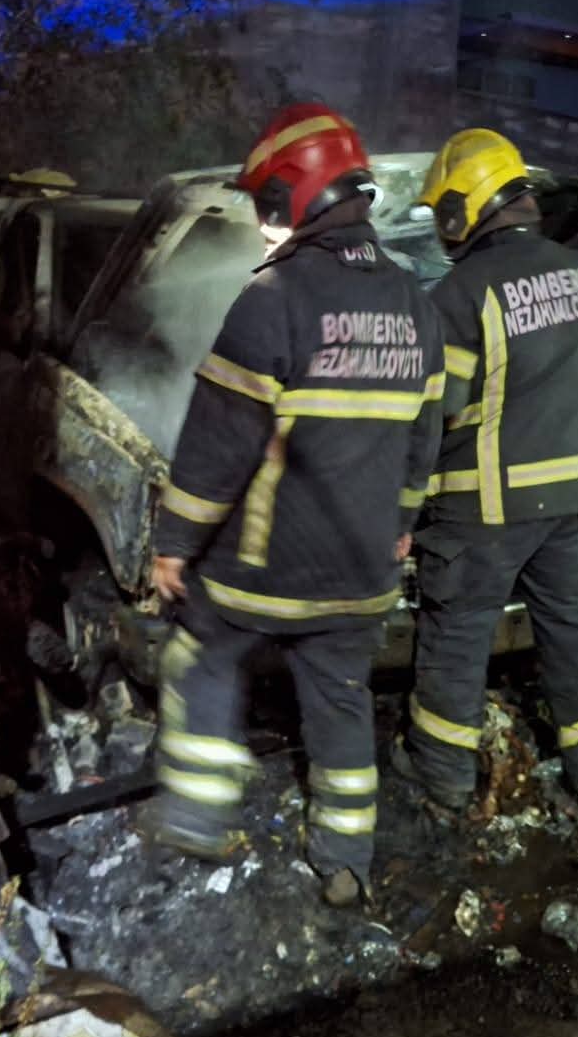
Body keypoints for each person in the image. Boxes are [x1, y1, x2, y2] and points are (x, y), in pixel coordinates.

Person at [146, 103, 445, 907]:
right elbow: (424, 441)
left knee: (200, 654)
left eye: (267, 205)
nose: (264, 225)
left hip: (266, 567)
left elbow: (218, 443)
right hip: (364, 568)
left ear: (297, 195)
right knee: (342, 701)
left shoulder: (273, 296)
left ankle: (197, 815)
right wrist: (402, 527)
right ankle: (345, 861)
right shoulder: (417, 304)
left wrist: (175, 542)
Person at [393, 128, 578, 812]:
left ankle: (443, 778)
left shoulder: (462, 292)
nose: (441, 229)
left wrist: (402, 507)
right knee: (573, 631)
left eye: (443, 212)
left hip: (486, 506)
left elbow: (435, 416)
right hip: (576, 500)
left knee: (456, 640)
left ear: (465, 206)